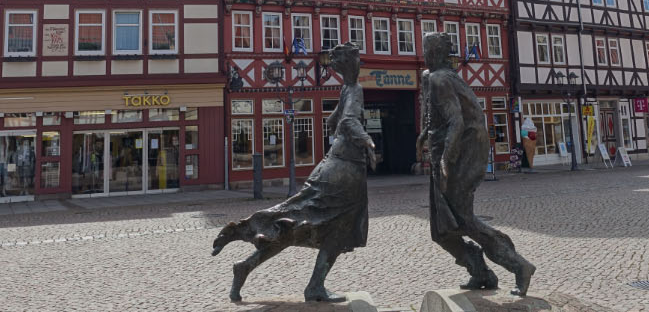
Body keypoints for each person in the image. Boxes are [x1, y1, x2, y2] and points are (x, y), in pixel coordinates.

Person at [212, 42, 375, 303]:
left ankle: (246, 265)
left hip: (329, 165)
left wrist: (343, 136)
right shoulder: (354, 88)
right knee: (337, 228)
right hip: (347, 169)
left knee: (291, 223)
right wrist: (367, 141)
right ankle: (315, 286)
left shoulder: (345, 88)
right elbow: (346, 121)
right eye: (357, 59)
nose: (359, 63)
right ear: (353, 63)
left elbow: (332, 121)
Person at [415, 32, 535, 296]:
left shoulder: (440, 78)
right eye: (424, 49)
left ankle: (519, 266)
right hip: (448, 151)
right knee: (441, 230)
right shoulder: (433, 76)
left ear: (437, 52)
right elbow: (436, 114)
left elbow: (456, 121)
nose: (425, 54)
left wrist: (446, 158)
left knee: (462, 219)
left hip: (462, 152)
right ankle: (480, 272)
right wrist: (425, 135)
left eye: (428, 50)